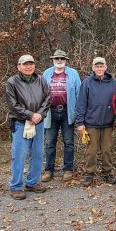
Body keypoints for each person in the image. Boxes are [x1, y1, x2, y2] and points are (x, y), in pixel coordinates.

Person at [5, 54, 51, 199]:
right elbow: (13, 105)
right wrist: (30, 115)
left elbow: (48, 98)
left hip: (38, 122)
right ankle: (16, 186)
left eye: (31, 63)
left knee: (37, 154)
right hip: (20, 123)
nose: (28, 66)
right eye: (25, 64)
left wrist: (39, 115)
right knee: (19, 155)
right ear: (19, 66)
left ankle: (32, 182)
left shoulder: (41, 80)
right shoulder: (12, 82)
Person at [75, 57, 116, 186]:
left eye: (101, 66)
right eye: (96, 66)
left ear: (105, 67)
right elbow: (81, 103)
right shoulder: (87, 82)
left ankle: (107, 173)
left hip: (108, 122)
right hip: (91, 123)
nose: (99, 68)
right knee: (91, 151)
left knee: (107, 150)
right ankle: (89, 174)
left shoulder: (113, 82)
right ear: (93, 68)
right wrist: (80, 122)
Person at [41, 50, 82, 183]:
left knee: (69, 142)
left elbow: (79, 94)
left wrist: (78, 114)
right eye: (57, 58)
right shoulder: (46, 73)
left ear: (66, 60)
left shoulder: (73, 74)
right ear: (53, 60)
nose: (59, 60)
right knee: (50, 143)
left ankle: (68, 169)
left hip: (67, 112)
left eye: (62, 58)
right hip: (50, 113)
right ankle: (48, 170)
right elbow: (41, 94)